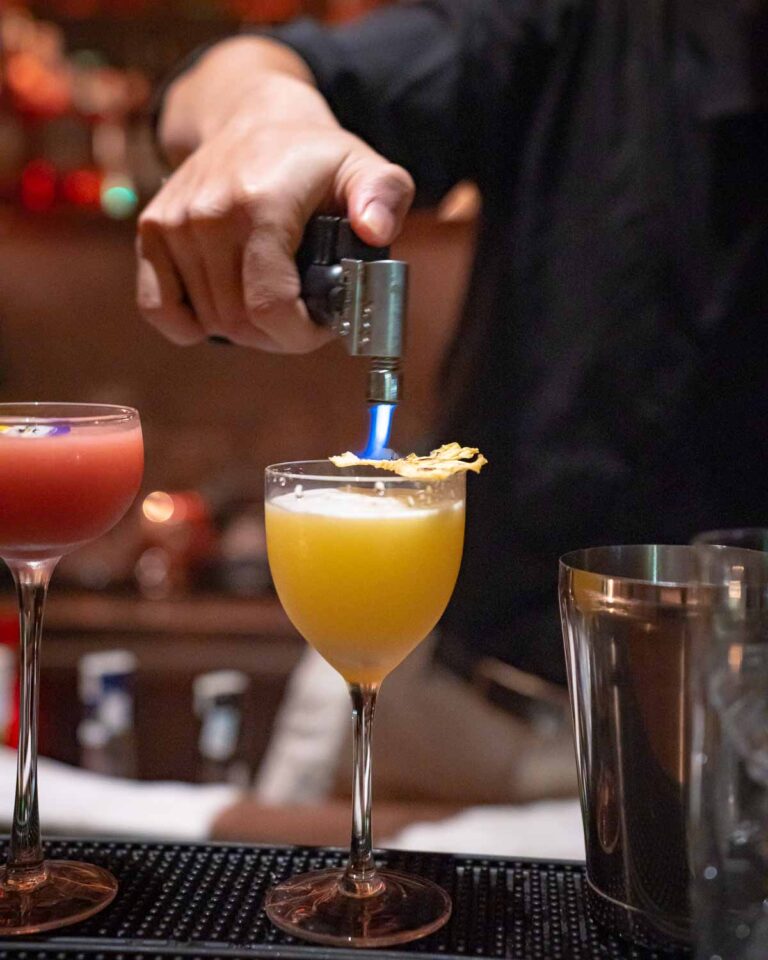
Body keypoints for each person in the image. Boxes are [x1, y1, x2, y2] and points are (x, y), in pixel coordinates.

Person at [137, 1, 768, 812]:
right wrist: (261, 114)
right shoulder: (596, 23)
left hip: (731, 760)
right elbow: (240, 76)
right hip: (444, 707)